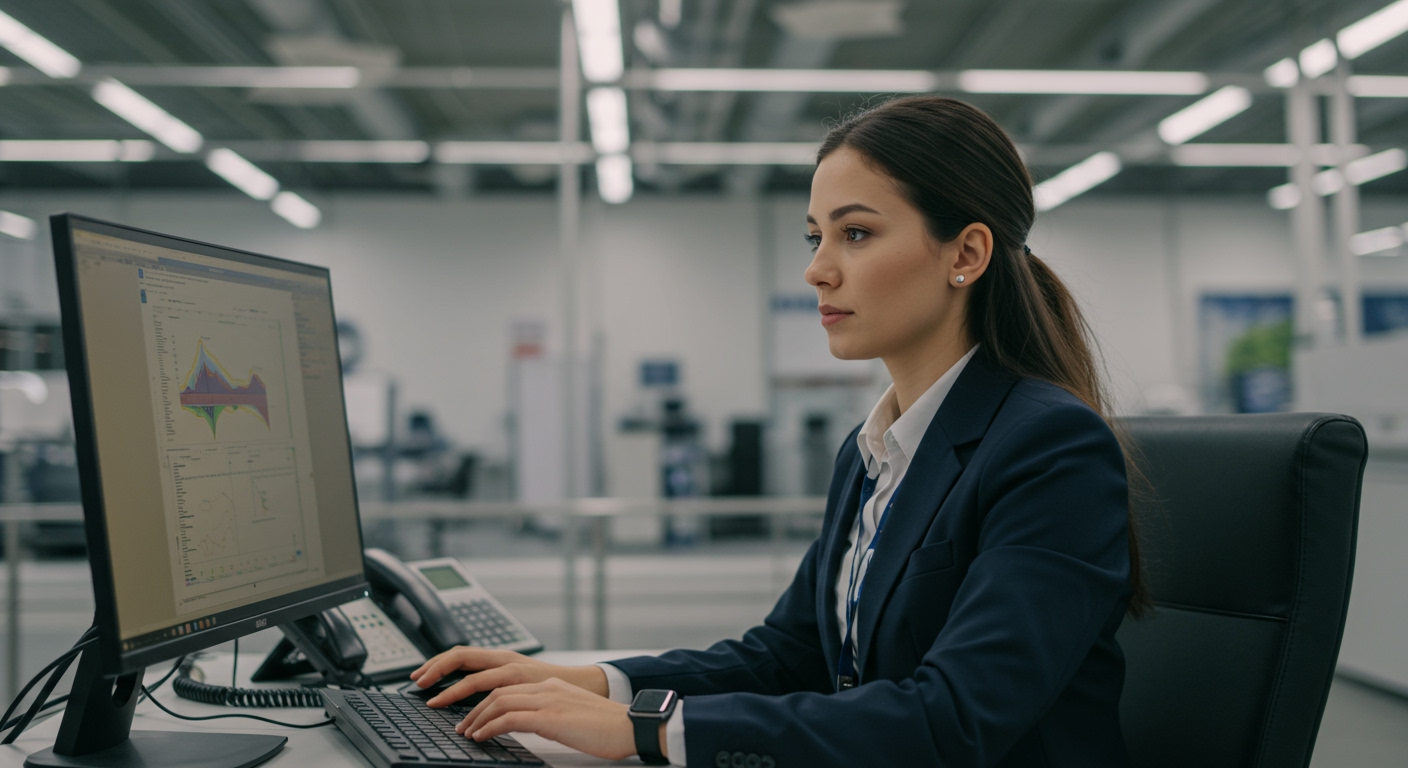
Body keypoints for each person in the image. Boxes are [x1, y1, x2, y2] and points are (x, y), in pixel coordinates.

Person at [409, 95, 1148, 767]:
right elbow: (789, 655)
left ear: (966, 254)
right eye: (814, 236)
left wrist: (647, 731)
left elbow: (952, 719)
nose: (817, 271)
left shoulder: (1050, 448)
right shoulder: (875, 453)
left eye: (855, 233)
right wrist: (594, 682)